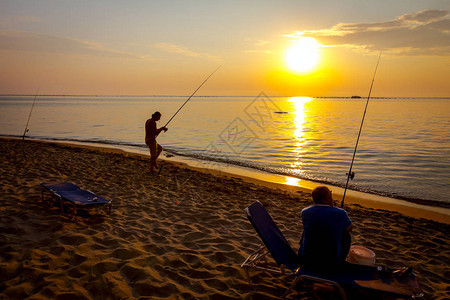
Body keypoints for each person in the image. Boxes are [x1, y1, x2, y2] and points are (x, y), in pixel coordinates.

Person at [298, 186, 352, 271]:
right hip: (331, 264)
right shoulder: (341, 213)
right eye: (330, 194)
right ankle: (341, 260)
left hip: (307, 261)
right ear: (328, 197)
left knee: (307, 230)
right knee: (346, 235)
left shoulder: (305, 212)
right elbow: (349, 229)